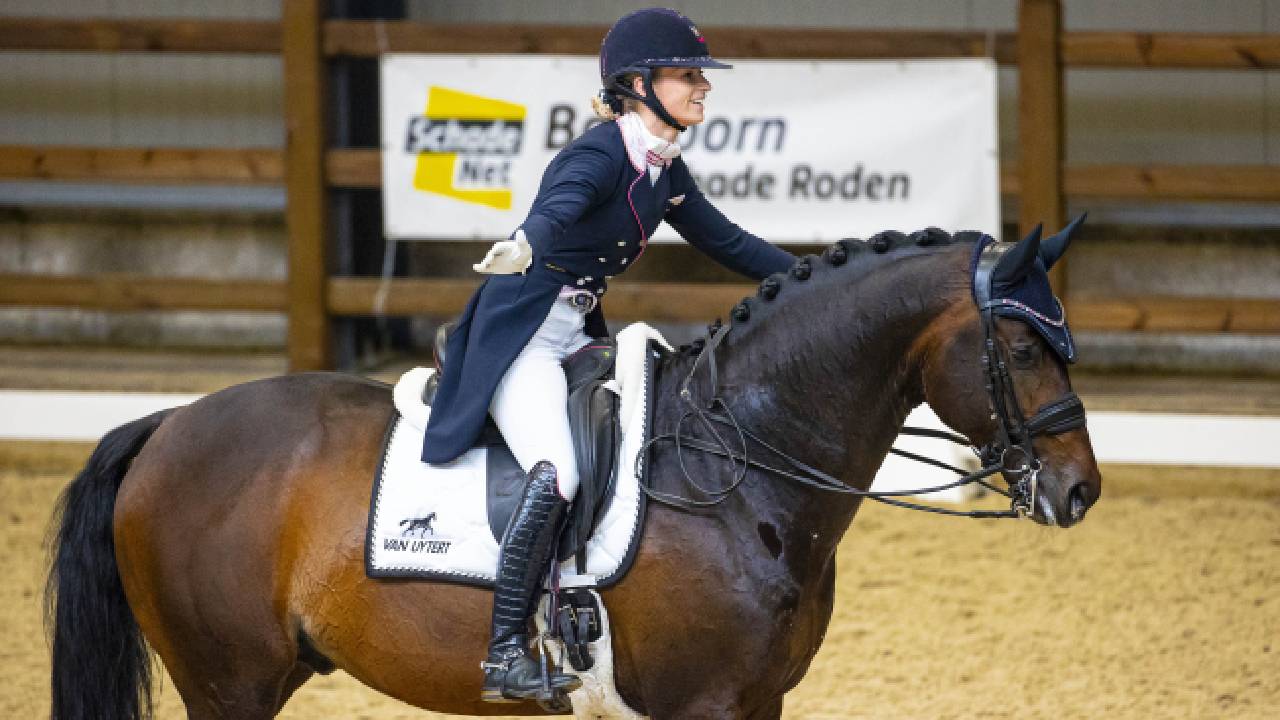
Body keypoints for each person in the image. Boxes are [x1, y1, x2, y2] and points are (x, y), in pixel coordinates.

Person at [420, 7, 796, 703]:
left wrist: (822, 275)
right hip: (524, 338)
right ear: (639, 84)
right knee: (558, 471)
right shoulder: (600, 153)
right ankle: (506, 651)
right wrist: (528, 244)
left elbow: (731, 244)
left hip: (582, 334)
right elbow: (557, 207)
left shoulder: (663, 170)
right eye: (689, 77)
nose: (702, 89)